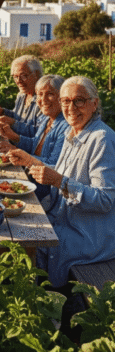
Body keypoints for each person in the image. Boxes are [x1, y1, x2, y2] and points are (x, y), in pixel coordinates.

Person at [17, 76, 115, 288]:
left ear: (94, 103)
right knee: (18, 230)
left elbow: (105, 199)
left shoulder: (102, 139)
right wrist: (28, 161)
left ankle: (51, 305)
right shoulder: (74, 132)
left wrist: (60, 182)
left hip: (86, 234)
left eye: (79, 100)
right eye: (65, 101)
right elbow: (62, 174)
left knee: (28, 245)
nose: (71, 108)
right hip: (63, 218)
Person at [0, 75, 69, 199]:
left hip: (45, 191)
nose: (43, 99)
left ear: (62, 98)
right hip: (30, 177)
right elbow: (36, 144)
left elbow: (53, 165)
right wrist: (15, 137)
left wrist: (23, 155)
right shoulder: (46, 118)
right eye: (39, 94)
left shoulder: (66, 126)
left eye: (50, 94)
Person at [0, 55, 43, 137]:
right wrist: (1, 111)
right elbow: (17, 117)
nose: (18, 81)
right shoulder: (21, 95)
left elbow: (39, 134)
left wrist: (13, 123)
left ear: (36, 74)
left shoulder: (43, 100)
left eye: (23, 76)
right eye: (15, 77)